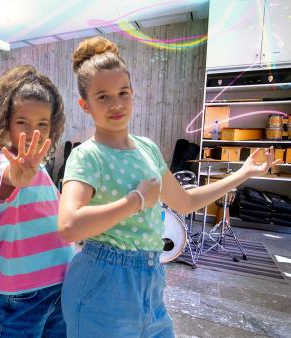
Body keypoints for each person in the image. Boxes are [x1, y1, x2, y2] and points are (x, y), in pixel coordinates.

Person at [58, 36, 280, 338]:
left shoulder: (147, 148)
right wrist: (136, 200)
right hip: (103, 285)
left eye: (123, 93)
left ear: (133, 94)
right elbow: (69, 226)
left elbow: (185, 202)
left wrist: (242, 173)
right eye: (103, 97)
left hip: (150, 280)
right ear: (85, 105)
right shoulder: (87, 156)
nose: (116, 104)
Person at [0, 65, 75, 337]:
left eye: (42, 124)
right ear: (4, 122)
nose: (33, 132)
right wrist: (14, 177)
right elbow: (4, 186)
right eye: (22, 122)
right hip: (24, 296)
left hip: (60, 286)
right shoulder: (3, 164)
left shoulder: (39, 168)